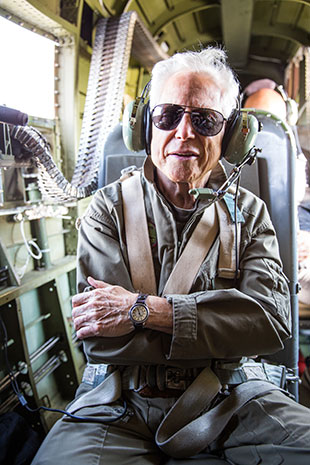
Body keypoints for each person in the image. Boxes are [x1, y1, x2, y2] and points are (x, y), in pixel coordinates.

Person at [31, 47, 310, 465]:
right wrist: (222, 325)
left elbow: (269, 324)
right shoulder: (106, 210)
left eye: (204, 120)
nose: (184, 132)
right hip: (120, 402)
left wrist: (144, 312)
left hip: (231, 396)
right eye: (166, 116)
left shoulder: (249, 214)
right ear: (145, 126)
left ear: (231, 135)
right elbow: (105, 344)